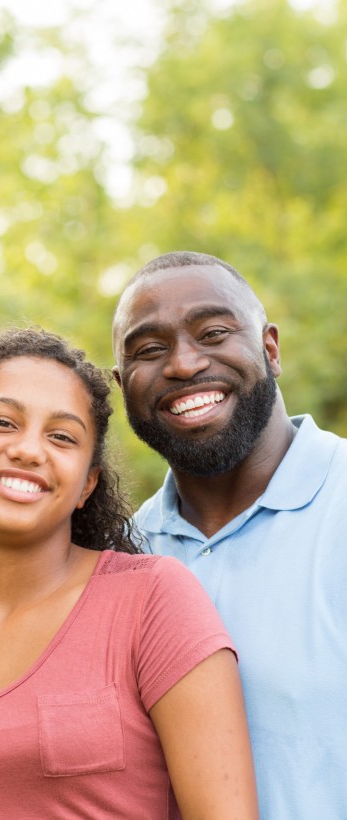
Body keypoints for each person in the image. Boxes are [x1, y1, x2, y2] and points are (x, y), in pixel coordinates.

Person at [0, 326, 258, 820]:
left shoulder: (153, 599)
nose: (30, 450)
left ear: (86, 484)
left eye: (61, 436)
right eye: (3, 423)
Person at [112, 249, 347, 820]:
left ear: (270, 348)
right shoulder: (117, 556)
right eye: (149, 349)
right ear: (122, 386)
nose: (185, 365)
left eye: (213, 332)